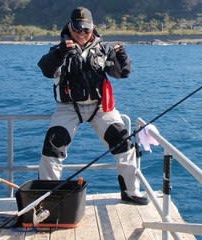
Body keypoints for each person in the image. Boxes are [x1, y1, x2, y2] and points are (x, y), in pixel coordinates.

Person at [37, 6, 148, 205]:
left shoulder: (104, 50)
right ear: (70, 27)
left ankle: (131, 191)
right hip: (68, 108)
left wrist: (121, 54)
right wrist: (61, 52)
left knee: (124, 143)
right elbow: (45, 69)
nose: (81, 33)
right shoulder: (58, 50)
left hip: (100, 107)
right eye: (77, 28)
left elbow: (122, 73)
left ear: (93, 28)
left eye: (86, 29)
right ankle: (48, 197)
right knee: (53, 146)